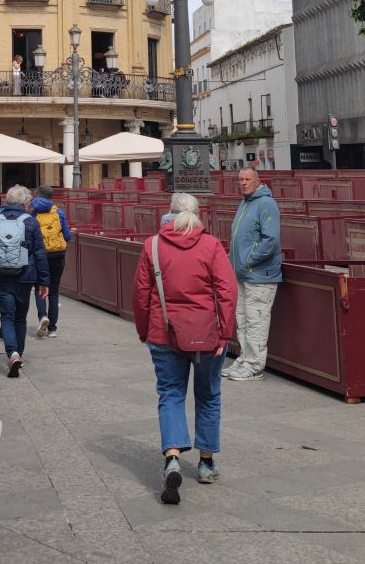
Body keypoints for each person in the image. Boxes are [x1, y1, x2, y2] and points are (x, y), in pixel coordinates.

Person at [133, 193, 237, 504]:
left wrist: (144, 330)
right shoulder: (211, 245)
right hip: (207, 334)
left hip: (163, 333)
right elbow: (228, 291)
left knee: (170, 394)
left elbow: (141, 294)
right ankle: (206, 464)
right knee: (208, 395)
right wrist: (225, 335)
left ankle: (173, 458)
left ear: (170, 214)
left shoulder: (153, 245)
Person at [0, 184, 50, 377]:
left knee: (7, 316)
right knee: (20, 317)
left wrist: (1, 253)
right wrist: (44, 282)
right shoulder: (31, 222)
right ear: (25, 202)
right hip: (25, 277)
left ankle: (12, 353)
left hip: (2, 276)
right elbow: (40, 254)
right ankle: (19, 353)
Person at [226, 166, 281, 381]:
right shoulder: (245, 203)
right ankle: (245, 358)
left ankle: (254, 365)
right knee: (243, 318)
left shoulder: (266, 204)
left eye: (247, 179)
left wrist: (249, 261)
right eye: (240, 179)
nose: (243, 183)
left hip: (260, 275)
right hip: (243, 273)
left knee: (256, 319)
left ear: (258, 181)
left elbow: (270, 239)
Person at [30, 185, 72, 338]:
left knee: (40, 288)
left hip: (40, 256)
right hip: (58, 255)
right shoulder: (59, 213)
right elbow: (67, 237)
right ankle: (53, 329)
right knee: (54, 291)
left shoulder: (33, 214)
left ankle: (43, 316)